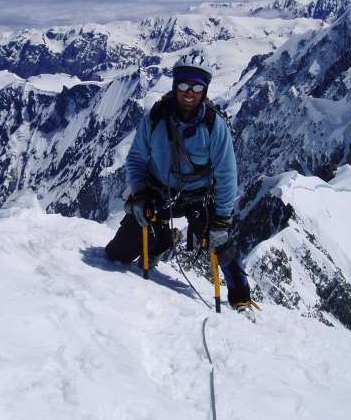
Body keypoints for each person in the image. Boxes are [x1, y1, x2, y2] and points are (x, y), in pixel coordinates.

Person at [105, 52, 256, 317]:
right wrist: (139, 195)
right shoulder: (155, 118)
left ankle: (241, 300)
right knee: (117, 255)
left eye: (197, 86)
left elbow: (226, 175)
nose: (190, 92)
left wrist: (221, 221)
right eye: (184, 84)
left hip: (198, 198)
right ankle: (161, 239)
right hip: (157, 193)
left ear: (205, 90)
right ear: (175, 85)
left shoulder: (214, 125)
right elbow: (137, 159)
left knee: (222, 244)